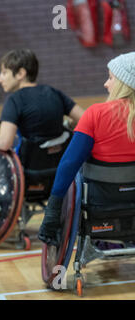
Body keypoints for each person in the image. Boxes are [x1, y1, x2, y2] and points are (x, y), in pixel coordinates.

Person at [38, 52, 135, 246]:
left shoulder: (95, 114)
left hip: (100, 203)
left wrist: (53, 210)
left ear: (125, 82)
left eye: (110, 78)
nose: (106, 84)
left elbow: (68, 164)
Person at [0, 49, 84, 164]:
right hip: (62, 167)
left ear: (21, 73)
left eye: (4, 73)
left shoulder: (14, 100)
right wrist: (68, 125)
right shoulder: (54, 92)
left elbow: (4, 143)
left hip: (31, 171)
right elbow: (86, 119)